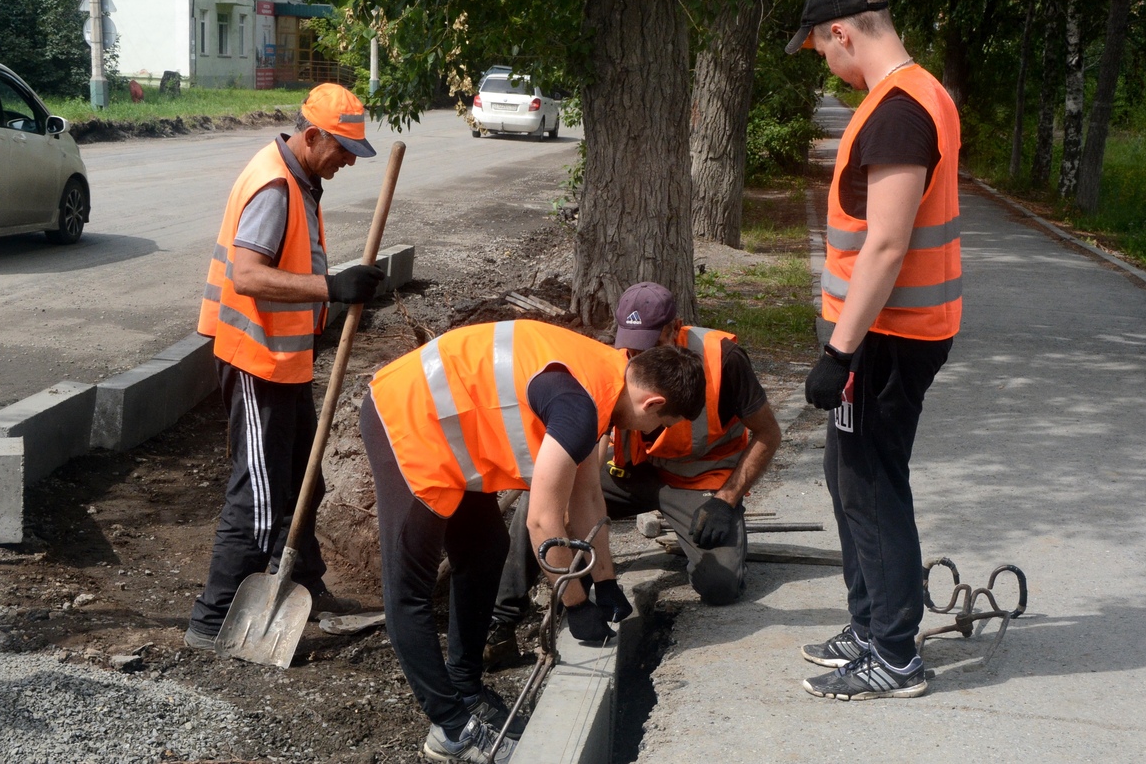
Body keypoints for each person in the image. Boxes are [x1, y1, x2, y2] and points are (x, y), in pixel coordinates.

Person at [360, 319, 705, 763]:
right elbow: (542, 524)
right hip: (407, 421)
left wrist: (606, 583)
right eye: (660, 422)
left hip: (453, 432)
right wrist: (577, 606)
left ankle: (465, 687)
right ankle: (451, 729)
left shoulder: (603, 378)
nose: (648, 433)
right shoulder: (580, 407)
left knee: (486, 552)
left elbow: (587, 495)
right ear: (653, 400)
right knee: (409, 591)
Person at [786, 0, 961, 700]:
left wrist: (839, 353)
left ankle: (894, 654)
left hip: (888, 337)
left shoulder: (897, 112)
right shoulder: (909, 99)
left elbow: (886, 247)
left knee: (871, 483)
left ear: (843, 34)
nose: (825, 64)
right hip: (885, 332)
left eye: (820, 50)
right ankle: (870, 623)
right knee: (845, 471)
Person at [485, 282, 782, 662]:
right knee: (538, 503)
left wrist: (727, 500)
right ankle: (501, 621)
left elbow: (768, 433)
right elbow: (588, 453)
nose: (638, 356)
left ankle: (709, 536)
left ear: (675, 329)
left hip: (696, 484)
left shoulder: (722, 360)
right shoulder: (617, 359)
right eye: (632, 344)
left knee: (720, 585)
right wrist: (576, 540)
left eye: (650, 344)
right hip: (628, 476)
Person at [186, 84, 385, 651]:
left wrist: (340, 284)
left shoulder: (300, 178)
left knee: (304, 478)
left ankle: (303, 583)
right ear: (313, 135)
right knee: (261, 493)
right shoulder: (275, 185)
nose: (349, 160)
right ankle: (212, 617)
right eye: (343, 148)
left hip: (285, 358)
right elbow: (246, 276)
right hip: (258, 360)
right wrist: (330, 286)